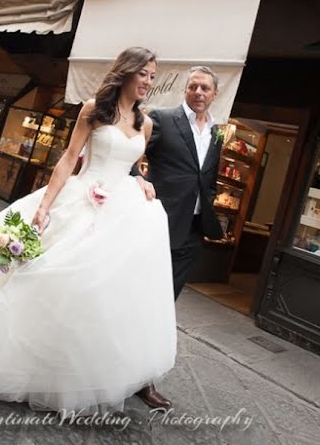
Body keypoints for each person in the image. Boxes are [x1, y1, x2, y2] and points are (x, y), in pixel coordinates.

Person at [0, 47, 176, 413]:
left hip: (120, 213)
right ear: (127, 72)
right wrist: (44, 206)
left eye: (153, 76)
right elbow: (70, 159)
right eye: (144, 74)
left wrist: (141, 182)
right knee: (42, 278)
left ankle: (71, 366)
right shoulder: (93, 110)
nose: (149, 82)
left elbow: (131, 166)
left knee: (97, 292)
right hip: (79, 200)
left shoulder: (145, 124)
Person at [130, 66, 224, 409]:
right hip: (159, 224)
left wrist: (209, 203)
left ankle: (143, 379)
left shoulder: (217, 132)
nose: (198, 92)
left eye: (205, 88)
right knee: (139, 299)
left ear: (215, 94)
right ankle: (114, 365)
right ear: (186, 90)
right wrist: (137, 179)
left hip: (192, 233)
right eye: (193, 86)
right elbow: (130, 153)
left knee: (164, 307)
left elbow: (208, 178)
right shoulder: (164, 119)